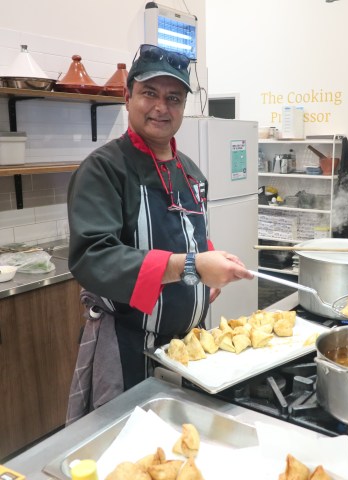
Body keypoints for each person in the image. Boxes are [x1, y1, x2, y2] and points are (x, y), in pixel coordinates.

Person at [65, 44, 253, 423]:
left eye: (174, 98)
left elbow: (190, 236)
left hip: (191, 347)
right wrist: (192, 269)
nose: (161, 107)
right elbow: (94, 258)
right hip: (129, 349)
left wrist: (213, 264)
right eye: (149, 93)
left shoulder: (190, 171)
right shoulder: (103, 171)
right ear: (127, 95)